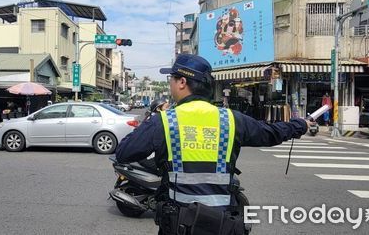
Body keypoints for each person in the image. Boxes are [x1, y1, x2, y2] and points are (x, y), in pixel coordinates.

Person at [115, 54, 310, 235]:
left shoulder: (165, 121)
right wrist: (299, 125)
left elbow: (124, 152)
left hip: (178, 224)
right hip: (221, 224)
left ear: (182, 82)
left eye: (172, 79)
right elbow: (271, 134)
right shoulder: (231, 119)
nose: (170, 85)